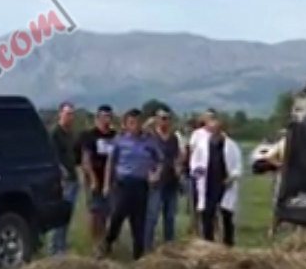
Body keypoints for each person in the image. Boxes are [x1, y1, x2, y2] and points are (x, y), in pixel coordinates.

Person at [102, 109, 162, 260]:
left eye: (137, 122)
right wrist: (106, 184)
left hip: (141, 185)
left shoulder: (149, 141)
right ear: (126, 125)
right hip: (123, 184)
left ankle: (138, 256)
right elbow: (111, 162)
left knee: (139, 222)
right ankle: (108, 242)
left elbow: (160, 160)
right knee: (117, 216)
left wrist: (156, 174)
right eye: (131, 123)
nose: (134, 125)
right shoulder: (120, 140)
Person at [190, 115, 243, 247]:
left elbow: (238, 166)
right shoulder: (202, 145)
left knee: (226, 214)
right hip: (207, 184)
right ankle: (208, 243)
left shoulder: (231, 146)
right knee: (207, 214)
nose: (214, 131)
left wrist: (232, 177)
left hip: (225, 184)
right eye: (212, 129)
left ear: (222, 130)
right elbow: (194, 162)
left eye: (217, 129)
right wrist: (197, 170)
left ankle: (228, 244)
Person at [76, 105, 116, 246]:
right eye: (104, 116)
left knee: (107, 212)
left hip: (111, 180)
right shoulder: (89, 136)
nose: (107, 120)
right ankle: (95, 243)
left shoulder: (114, 136)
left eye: (109, 116)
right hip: (94, 178)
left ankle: (104, 241)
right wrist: (92, 179)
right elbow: (85, 159)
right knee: (94, 212)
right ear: (97, 118)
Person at [147, 110, 185, 250]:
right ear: (157, 120)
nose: (165, 121)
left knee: (170, 218)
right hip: (157, 182)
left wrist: (179, 168)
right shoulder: (151, 137)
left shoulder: (173, 138)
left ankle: (169, 247)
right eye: (162, 118)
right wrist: (150, 173)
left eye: (168, 119)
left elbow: (178, 156)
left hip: (171, 181)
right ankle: (147, 247)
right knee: (152, 217)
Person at [48, 102, 79, 256]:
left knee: (68, 215)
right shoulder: (55, 133)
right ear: (60, 114)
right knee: (60, 215)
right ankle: (56, 248)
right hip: (62, 180)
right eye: (67, 114)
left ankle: (62, 245)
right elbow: (52, 157)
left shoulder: (71, 134)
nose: (70, 117)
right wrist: (61, 172)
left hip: (74, 178)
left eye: (72, 114)